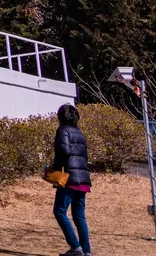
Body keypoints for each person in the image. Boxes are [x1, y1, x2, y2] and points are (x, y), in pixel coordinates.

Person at [49, 102, 92, 256]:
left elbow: (64, 151)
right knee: (79, 216)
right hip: (83, 178)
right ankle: (86, 251)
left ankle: (76, 247)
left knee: (59, 211)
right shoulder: (79, 132)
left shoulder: (62, 130)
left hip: (69, 178)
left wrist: (54, 167)